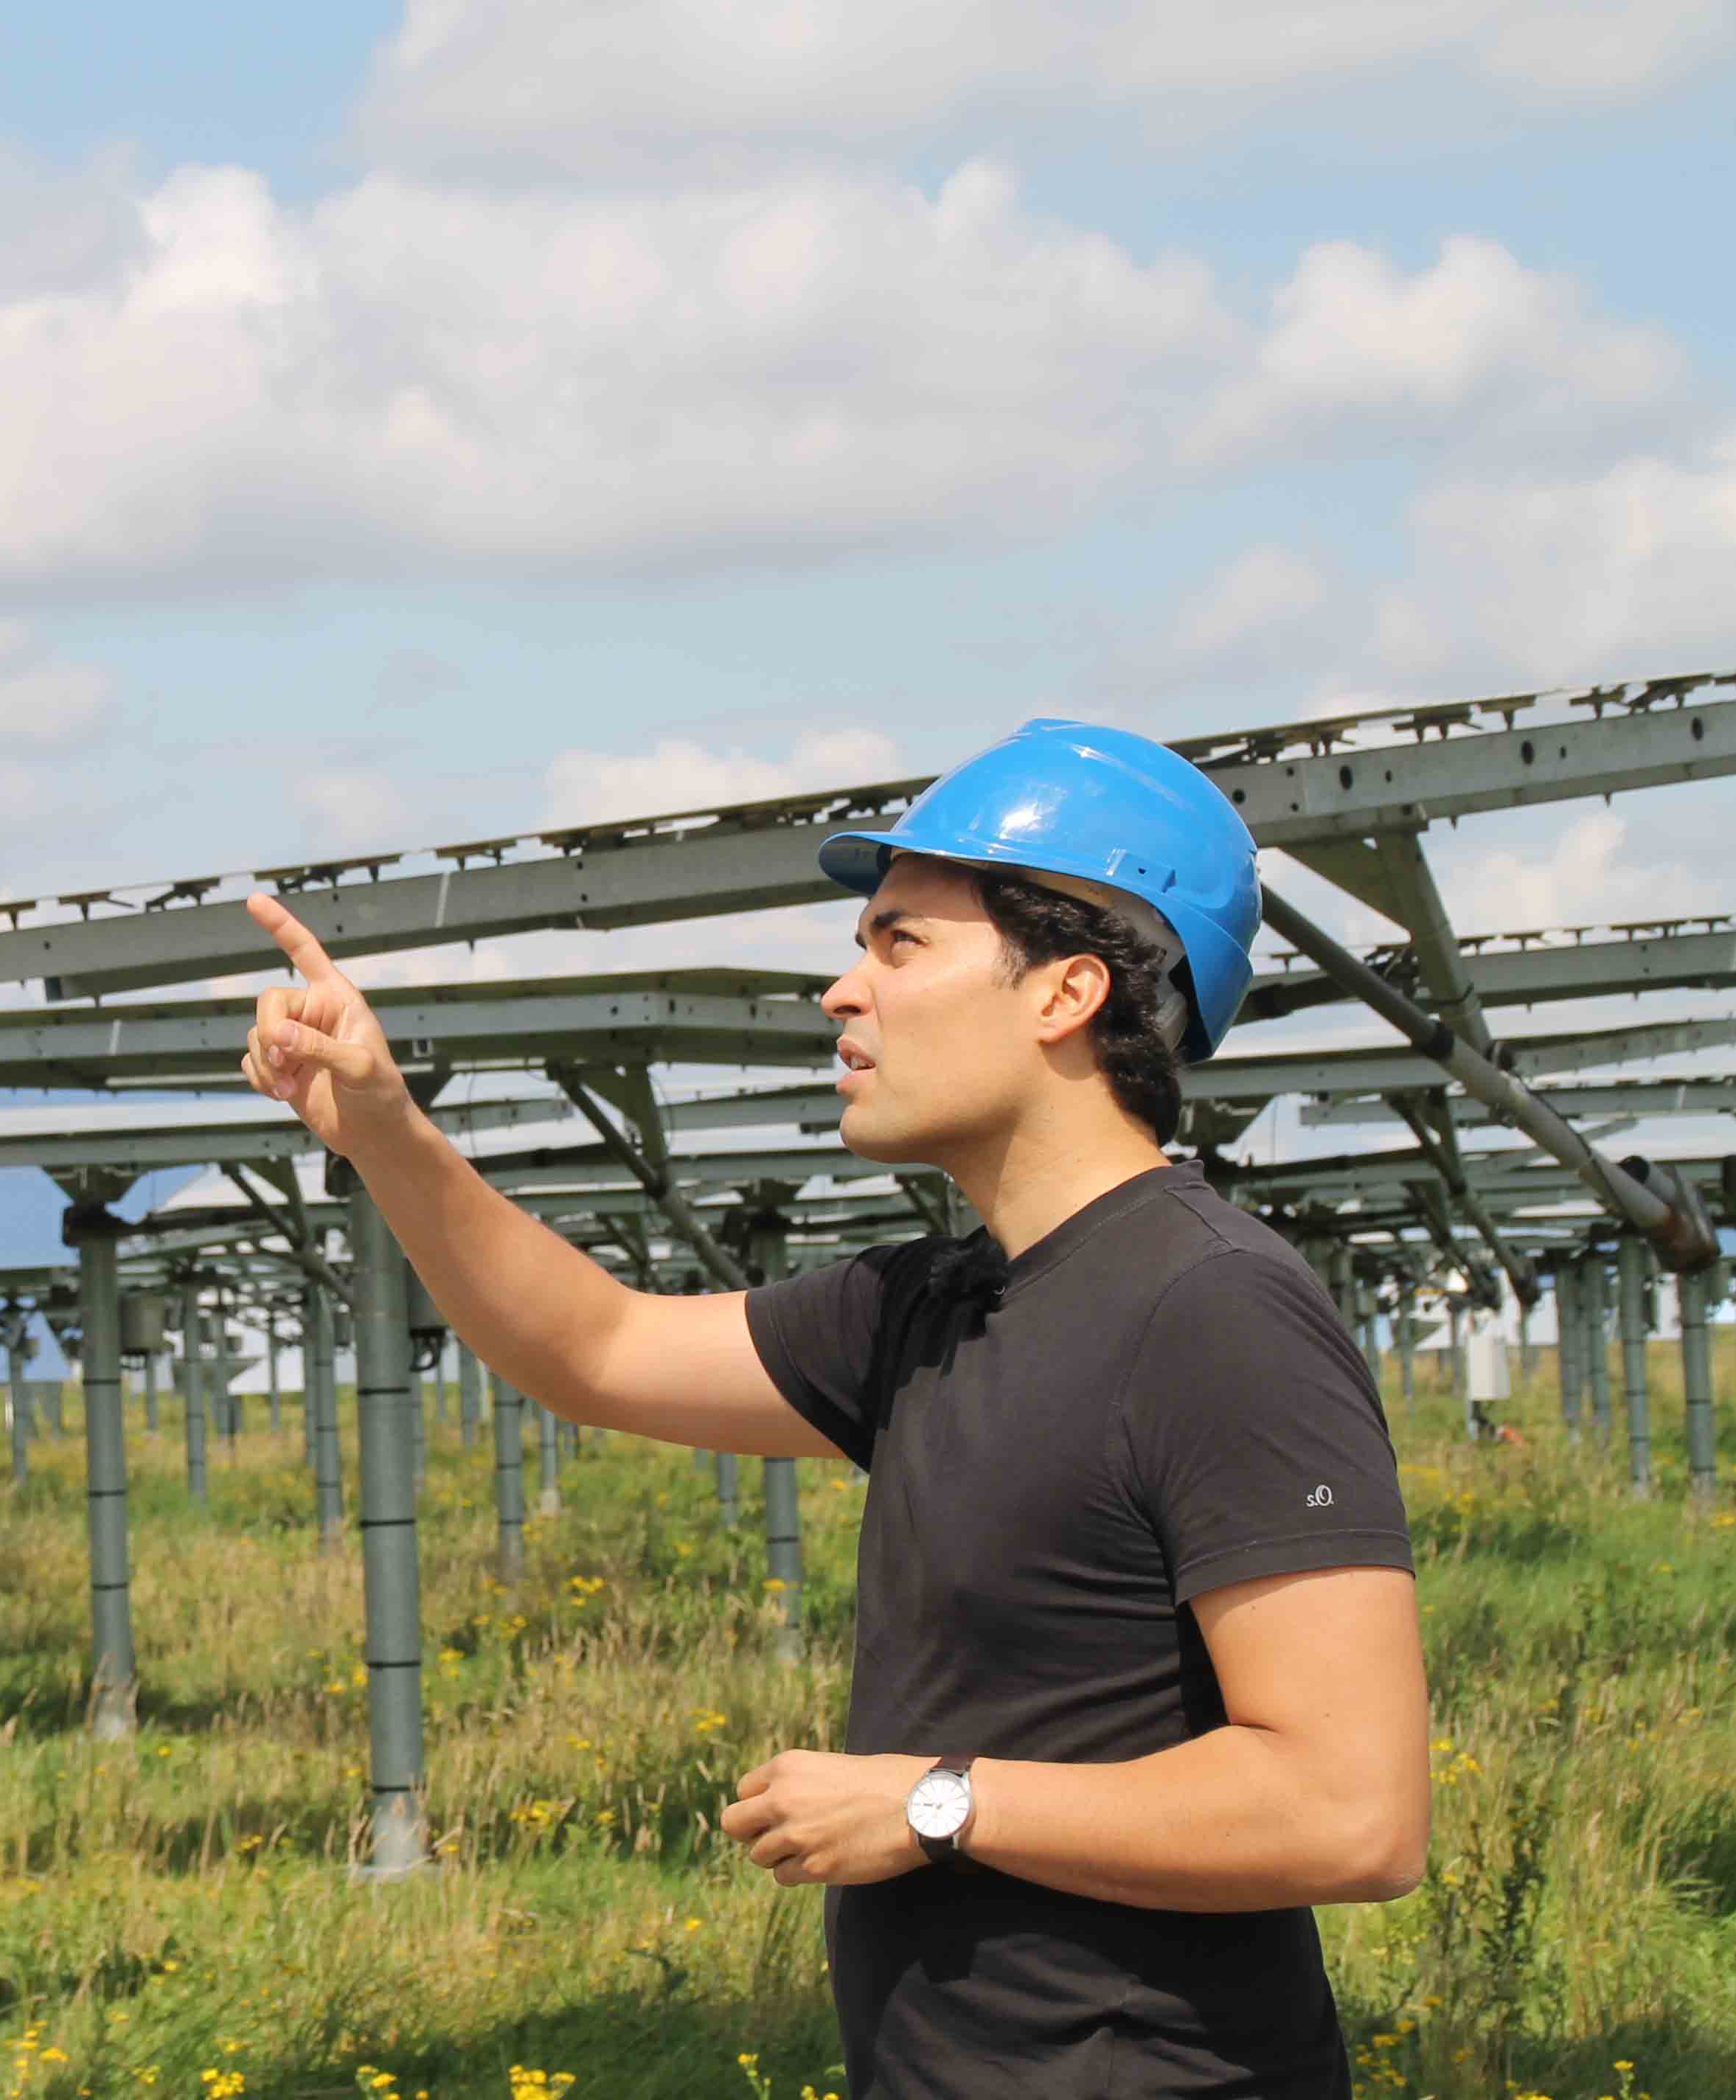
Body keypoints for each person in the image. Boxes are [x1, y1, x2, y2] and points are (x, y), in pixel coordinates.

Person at [239, 720, 1428, 2098]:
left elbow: (1353, 1813)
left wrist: (935, 1801)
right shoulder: (932, 1303)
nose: (840, 993)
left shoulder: (1214, 1314)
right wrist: (383, 1124)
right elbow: (598, 1348)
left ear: (1067, 992)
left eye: (900, 944)